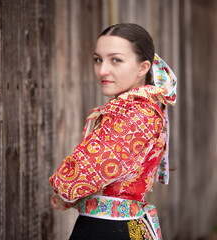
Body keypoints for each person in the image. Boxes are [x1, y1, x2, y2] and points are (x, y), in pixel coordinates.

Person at [49, 23, 177, 240]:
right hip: (125, 226)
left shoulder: (136, 113)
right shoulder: (138, 108)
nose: (102, 70)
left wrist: (61, 186)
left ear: (143, 68)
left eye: (116, 60)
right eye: (98, 59)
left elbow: (82, 172)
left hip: (111, 230)